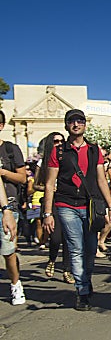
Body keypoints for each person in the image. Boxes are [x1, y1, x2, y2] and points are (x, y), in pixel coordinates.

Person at [43, 109, 111, 311]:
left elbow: (102, 180)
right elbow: (50, 183)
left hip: (90, 205)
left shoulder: (95, 150)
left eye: (79, 121)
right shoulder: (58, 151)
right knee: (75, 248)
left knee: (90, 249)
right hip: (66, 204)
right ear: (66, 125)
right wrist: (48, 213)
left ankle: (85, 279)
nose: (76, 124)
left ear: (85, 124)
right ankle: (82, 291)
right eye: (71, 121)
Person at [33, 132, 74, 283]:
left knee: (68, 237)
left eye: (61, 141)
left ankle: (66, 270)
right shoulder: (42, 163)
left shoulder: (67, 159)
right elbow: (34, 184)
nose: (59, 144)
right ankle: (51, 259)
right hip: (51, 202)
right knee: (55, 237)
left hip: (67, 200)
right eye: (56, 141)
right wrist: (47, 187)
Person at [0, 110, 27, 305]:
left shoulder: (10, 149)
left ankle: (15, 284)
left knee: (8, 250)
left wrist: (2, 172)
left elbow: (22, 178)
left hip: (8, 203)